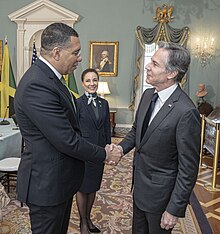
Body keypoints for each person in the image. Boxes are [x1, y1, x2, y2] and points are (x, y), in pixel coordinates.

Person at [14, 22, 121, 234]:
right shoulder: (38, 84)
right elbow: (67, 139)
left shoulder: (52, 79)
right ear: (56, 52)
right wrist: (104, 154)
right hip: (46, 184)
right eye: (76, 52)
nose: (79, 58)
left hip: (59, 181)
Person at [112, 41, 201, 233]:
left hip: (161, 198)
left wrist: (174, 209)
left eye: (155, 64)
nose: (147, 66)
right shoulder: (147, 95)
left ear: (171, 73)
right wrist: (121, 148)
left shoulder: (186, 112)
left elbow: (188, 168)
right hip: (139, 189)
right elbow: (137, 131)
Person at [76, 68, 111, 234]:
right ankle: (83, 222)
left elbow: (106, 128)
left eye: (95, 80)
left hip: (99, 152)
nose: (92, 83)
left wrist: (109, 149)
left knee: (93, 187)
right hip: (83, 153)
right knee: (83, 188)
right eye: (88, 80)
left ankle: (88, 218)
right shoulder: (77, 103)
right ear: (83, 83)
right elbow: (74, 130)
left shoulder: (104, 103)